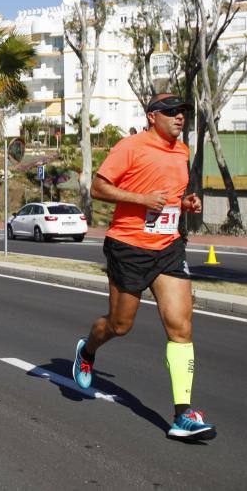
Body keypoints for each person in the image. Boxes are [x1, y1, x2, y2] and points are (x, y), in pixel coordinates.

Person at [71, 93, 214, 440]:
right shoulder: (130, 147)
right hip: (128, 247)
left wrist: (185, 203)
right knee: (120, 325)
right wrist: (141, 199)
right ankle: (87, 350)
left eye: (182, 112)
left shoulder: (182, 151)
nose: (179, 117)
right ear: (152, 116)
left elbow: (169, 195)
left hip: (168, 246)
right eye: (171, 112)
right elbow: (99, 187)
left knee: (181, 327)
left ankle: (183, 415)